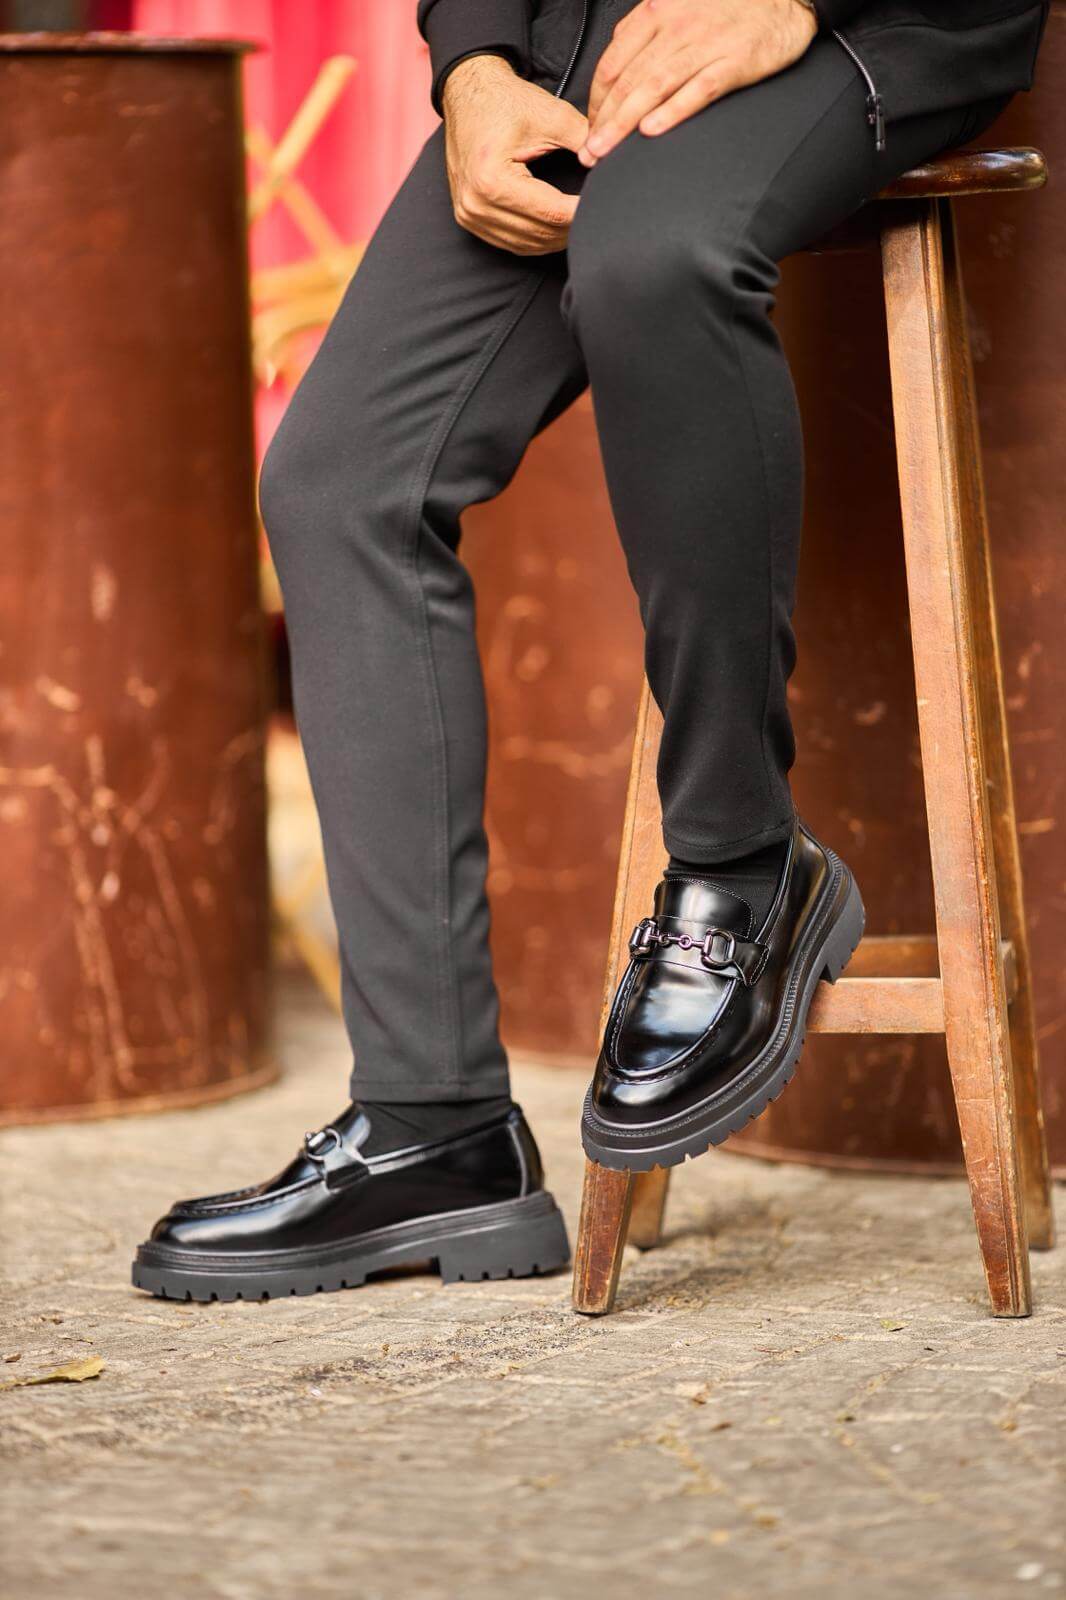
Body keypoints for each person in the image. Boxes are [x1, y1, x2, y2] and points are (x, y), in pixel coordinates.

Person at [132, 0, 1048, 1302]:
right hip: (581, 41)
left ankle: (741, 868)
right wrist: (475, 67)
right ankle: (430, 1128)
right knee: (344, 483)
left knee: (653, 253)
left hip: (858, 27)